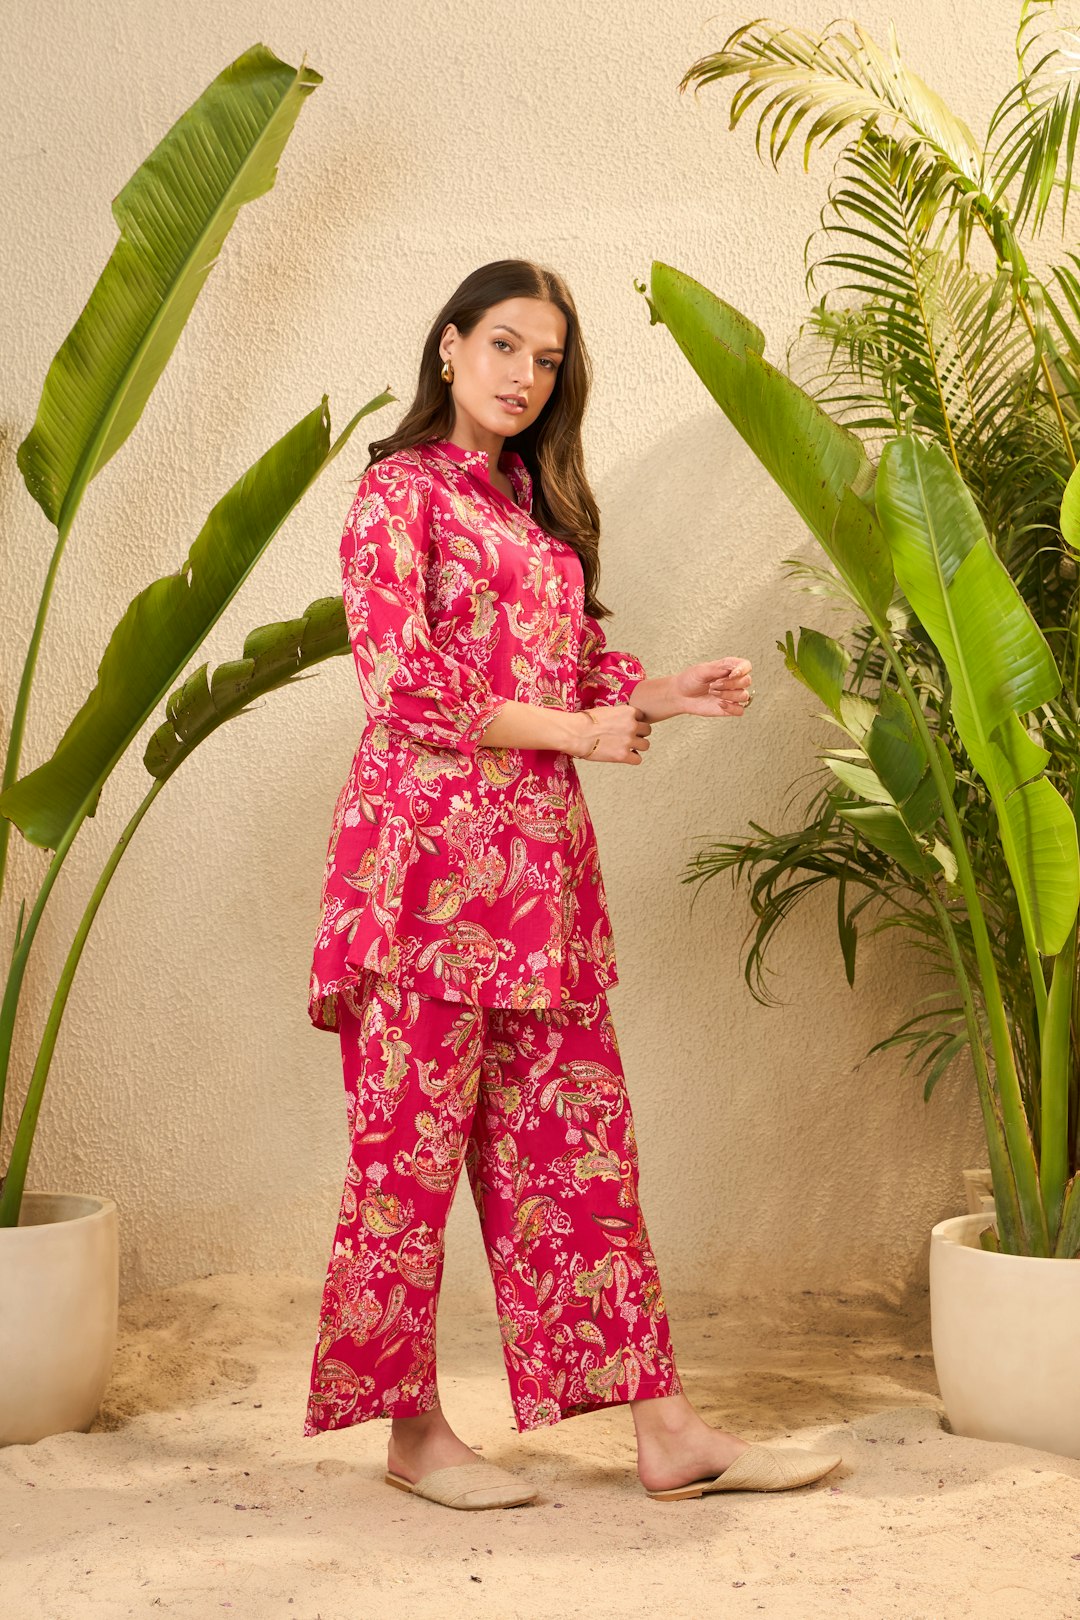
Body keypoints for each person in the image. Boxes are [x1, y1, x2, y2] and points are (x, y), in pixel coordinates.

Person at [301, 259, 842, 1510]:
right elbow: (404, 685)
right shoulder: (399, 495)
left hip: (538, 885)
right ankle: (413, 1432)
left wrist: (650, 696)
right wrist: (578, 732)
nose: (522, 376)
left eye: (545, 360)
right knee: (407, 1163)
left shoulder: (536, 510)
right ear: (447, 347)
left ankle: (668, 1429)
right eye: (502, 345)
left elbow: (579, 661)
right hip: (420, 875)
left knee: (581, 1154)